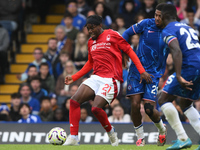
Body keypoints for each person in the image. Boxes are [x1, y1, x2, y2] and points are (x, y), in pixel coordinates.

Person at [64, 15, 152, 146]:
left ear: (100, 25)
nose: (90, 31)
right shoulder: (90, 42)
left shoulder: (112, 35)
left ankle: (111, 131)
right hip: (96, 77)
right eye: (88, 29)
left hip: (111, 79)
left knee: (95, 109)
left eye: (92, 28)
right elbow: (90, 63)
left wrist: (141, 71)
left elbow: (129, 51)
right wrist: (74, 77)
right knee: (74, 101)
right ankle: (74, 137)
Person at [122, 3, 168, 146]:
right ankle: (140, 137)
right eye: (156, 14)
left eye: (160, 16)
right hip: (136, 70)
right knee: (135, 105)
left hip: (153, 75)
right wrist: (124, 51)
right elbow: (126, 33)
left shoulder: (171, 30)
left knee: (148, 109)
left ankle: (162, 129)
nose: (157, 18)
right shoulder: (146, 24)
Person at [157, 4, 200, 150]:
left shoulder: (168, 29)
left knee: (163, 99)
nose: (156, 18)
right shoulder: (188, 27)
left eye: (158, 15)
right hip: (198, 65)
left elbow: (176, 50)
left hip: (189, 66)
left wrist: (179, 75)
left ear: (164, 16)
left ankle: (182, 138)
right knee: (185, 103)